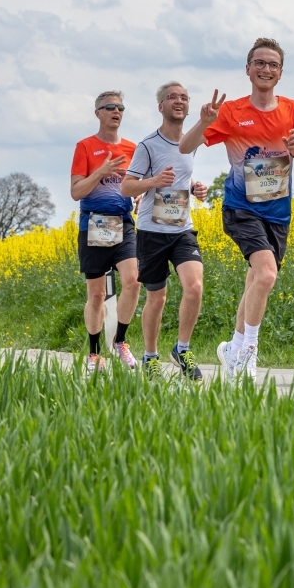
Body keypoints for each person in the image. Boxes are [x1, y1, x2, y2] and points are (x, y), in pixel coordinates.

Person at [181, 38, 294, 378]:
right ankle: (249, 353)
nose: (265, 69)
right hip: (241, 207)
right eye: (259, 63)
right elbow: (185, 146)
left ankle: (232, 348)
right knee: (267, 274)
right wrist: (203, 121)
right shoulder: (231, 111)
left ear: (281, 73)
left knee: (257, 279)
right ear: (248, 69)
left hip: (278, 214)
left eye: (272, 64)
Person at [121, 82, 210, 380]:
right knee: (156, 297)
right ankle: (150, 356)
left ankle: (182, 349)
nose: (179, 101)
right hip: (152, 230)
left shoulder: (191, 142)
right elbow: (127, 186)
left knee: (194, 286)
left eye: (184, 97)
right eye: (172, 97)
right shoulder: (147, 145)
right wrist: (153, 181)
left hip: (182, 228)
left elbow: (183, 175)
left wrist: (195, 187)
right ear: (161, 106)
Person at [71, 90, 141, 371]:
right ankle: (94, 352)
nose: (116, 111)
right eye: (110, 107)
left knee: (133, 281)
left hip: (123, 223)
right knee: (97, 294)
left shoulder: (132, 149)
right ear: (97, 112)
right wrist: (100, 172)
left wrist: (140, 196)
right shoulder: (85, 147)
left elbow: (141, 185)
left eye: (120, 107)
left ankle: (120, 341)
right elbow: (76, 192)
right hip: (95, 223)